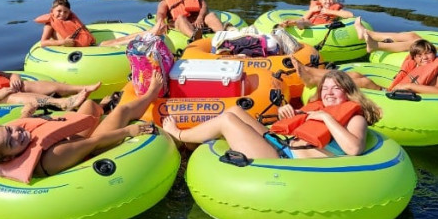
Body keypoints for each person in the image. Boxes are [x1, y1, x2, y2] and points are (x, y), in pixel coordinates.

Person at [0, 72, 164, 179]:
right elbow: (94, 143)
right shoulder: (52, 158)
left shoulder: (18, 138)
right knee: (122, 111)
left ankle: (103, 106)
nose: (17, 133)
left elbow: (23, 121)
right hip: (90, 148)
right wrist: (129, 130)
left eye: (9, 129)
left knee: (88, 105)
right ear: (9, 157)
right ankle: (151, 94)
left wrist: (29, 111)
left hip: (74, 139)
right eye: (11, 142)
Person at [162, 70, 381, 158]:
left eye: (335, 88)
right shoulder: (321, 108)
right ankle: (190, 143)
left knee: (227, 121)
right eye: (325, 88)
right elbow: (303, 129)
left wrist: (327, 119)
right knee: (235, 110)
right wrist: (288, 115)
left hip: (283, 159)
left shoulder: (355, 118)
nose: (329, 93)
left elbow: (353, 149)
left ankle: (179, 136)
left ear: (347, 91)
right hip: (280, 142)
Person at [293, 40, 438, 95]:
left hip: (403, 98)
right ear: (415, 59)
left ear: (434, 54)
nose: (424, 58)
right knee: (355, 74)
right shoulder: (418, 65)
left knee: (363, 83)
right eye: (419, 56)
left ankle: (314, 80)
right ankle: (311, 72)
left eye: (428, 54)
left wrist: (408, 85)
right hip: (394, 91)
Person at [281, 0, 354, 29]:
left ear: (334, 0)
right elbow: (304, 17)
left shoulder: (334, 8)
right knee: (304, 20)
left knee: (306, 22)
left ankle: (293, 23)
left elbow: (350, 15)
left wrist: (329, 11)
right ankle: (292, 23)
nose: (328, 2)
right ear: (320, 0)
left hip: (319, 27)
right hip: (309, 22)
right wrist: (312, 10)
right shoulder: (316, 7)